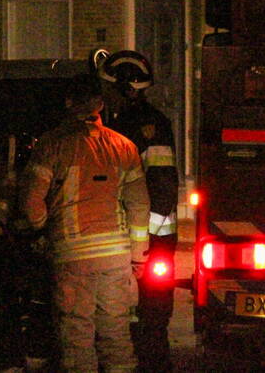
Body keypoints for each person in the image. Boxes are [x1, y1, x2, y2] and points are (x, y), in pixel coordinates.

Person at [20, 74, 150, 373]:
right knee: (117, 337)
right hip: (116, 259)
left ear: (68, 103)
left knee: (78, 342)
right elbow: (139, 205)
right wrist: (138, 256)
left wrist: (41, 228)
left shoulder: (52, 145)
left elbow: (32, 205)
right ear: (101, 105)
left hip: (72, 257)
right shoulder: (125, 147)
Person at [99, 50, 179, 373]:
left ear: (127, 89)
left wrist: (143, 243)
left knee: (152, 319)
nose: (103, 94)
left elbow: (161, 187)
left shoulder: (149, 126)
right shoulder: (108, 123)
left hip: (151, 238)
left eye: (108, 87)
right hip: (128, 238)